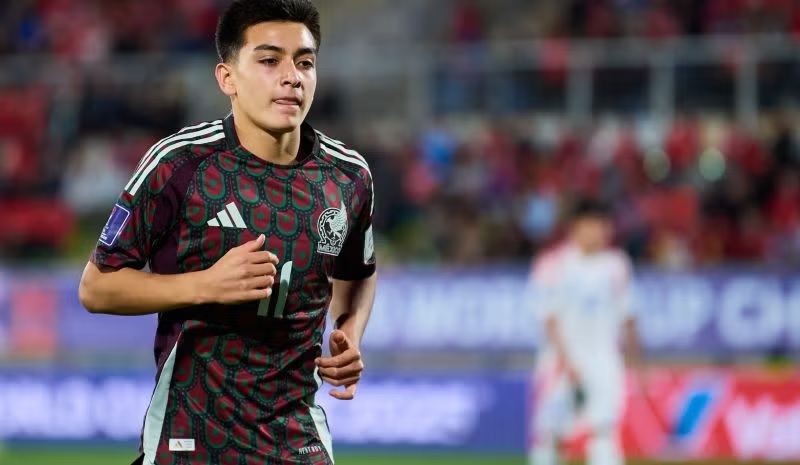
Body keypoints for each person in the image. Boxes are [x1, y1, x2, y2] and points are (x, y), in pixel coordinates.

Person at [78, 1, 377, 464]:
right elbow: (97, 287)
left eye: (305, 62)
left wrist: (349, 332)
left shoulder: (349, 176)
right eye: (269, 60)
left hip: (297, 443)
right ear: (227, 78)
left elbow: (359, 271)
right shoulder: (180, 164)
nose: (292, 77)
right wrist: (204, 285)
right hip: (189, 442)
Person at [528, 199, 640, 465]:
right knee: (550, 434)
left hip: (603, 358)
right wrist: (567, 361)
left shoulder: (617, 265)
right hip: (560, 360)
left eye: (602, 226)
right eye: (590, 225)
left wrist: (636, 363)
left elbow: (628, 316)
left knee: (604, 431)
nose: (597, 232)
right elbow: (548, 318)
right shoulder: (553, 263)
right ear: (575, 227)